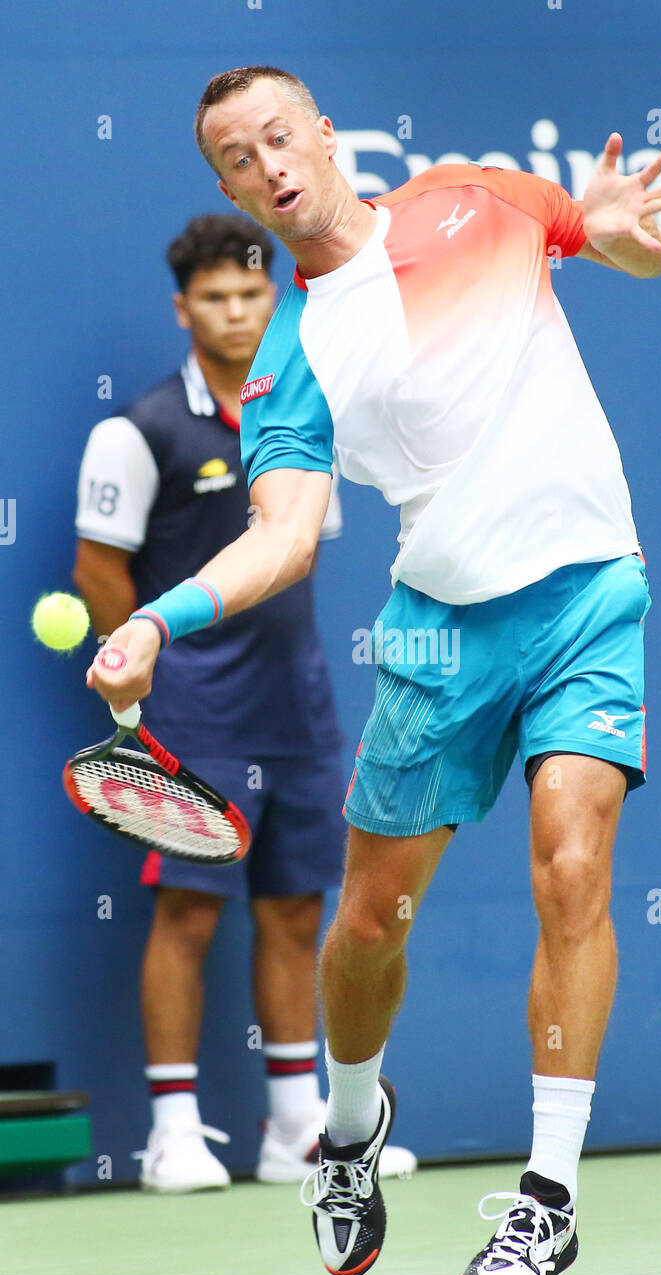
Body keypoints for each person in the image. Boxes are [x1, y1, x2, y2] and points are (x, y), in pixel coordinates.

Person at [88, 66, 661, 1275]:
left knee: (571, 859)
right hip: (437, 629)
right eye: (239, 159)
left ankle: (546, 1198)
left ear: (322, 132)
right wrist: (161, 613)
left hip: (588, 589)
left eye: (279, 135)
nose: (270, 165)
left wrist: (623, 239)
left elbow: (609, 241)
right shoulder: (293, 358)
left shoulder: (471, 195)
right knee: (366, 925)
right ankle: (348, 1126)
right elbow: (284, 533)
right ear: (229, 188)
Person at [74, 212, 416, 1194]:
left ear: (273, 302)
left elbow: (298, 546)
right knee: (187, 913)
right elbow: (98, 571)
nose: (234, 311)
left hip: (296, 706)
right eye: (215, 296)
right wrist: (151, 674)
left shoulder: (297, 419)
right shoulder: (135, 428)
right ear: (184, 308)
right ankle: (172, 1132)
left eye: (251, 295)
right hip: (195, 709)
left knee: (296, 912)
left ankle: (296, 1126)